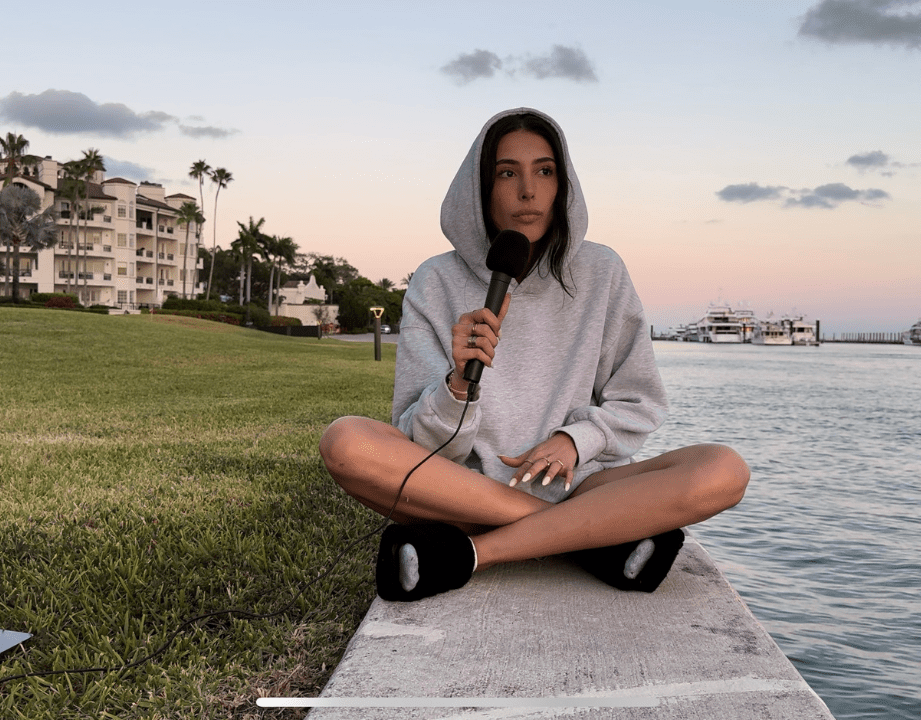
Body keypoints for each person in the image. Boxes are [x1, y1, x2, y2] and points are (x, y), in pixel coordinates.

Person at [320, 108, 749, 601]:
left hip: (584, 488)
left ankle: (472, 554)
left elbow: (640, 402)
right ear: (481, 186)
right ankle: (589, 540)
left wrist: (575, 439)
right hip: (462, 490)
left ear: (562, 184)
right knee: (346, 441)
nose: (529, 191)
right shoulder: (435, 281)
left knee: (724, 469)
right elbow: (421, 444)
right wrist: (457, 385)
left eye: (544, 171)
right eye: (508, 173)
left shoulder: (601, 271)